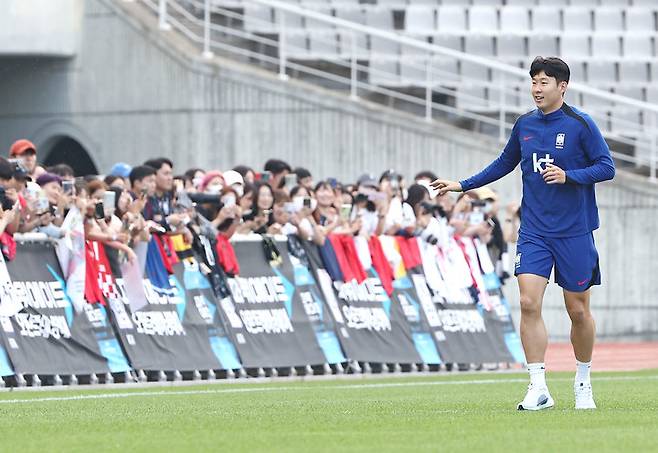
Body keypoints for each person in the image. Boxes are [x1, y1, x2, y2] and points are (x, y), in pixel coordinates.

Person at [431, 57, 615, 411]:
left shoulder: (581, 124)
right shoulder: (525, 124)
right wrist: (462, 185)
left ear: (562, 86)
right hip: (534, 231)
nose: (536, 89)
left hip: (575, 232)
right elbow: (504, 162)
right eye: (533, 82)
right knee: (528, 302)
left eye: (544, 82)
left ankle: (583, 381)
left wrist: (569, 176)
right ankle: (538, 387)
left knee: (578, 310)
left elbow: (607, 167)